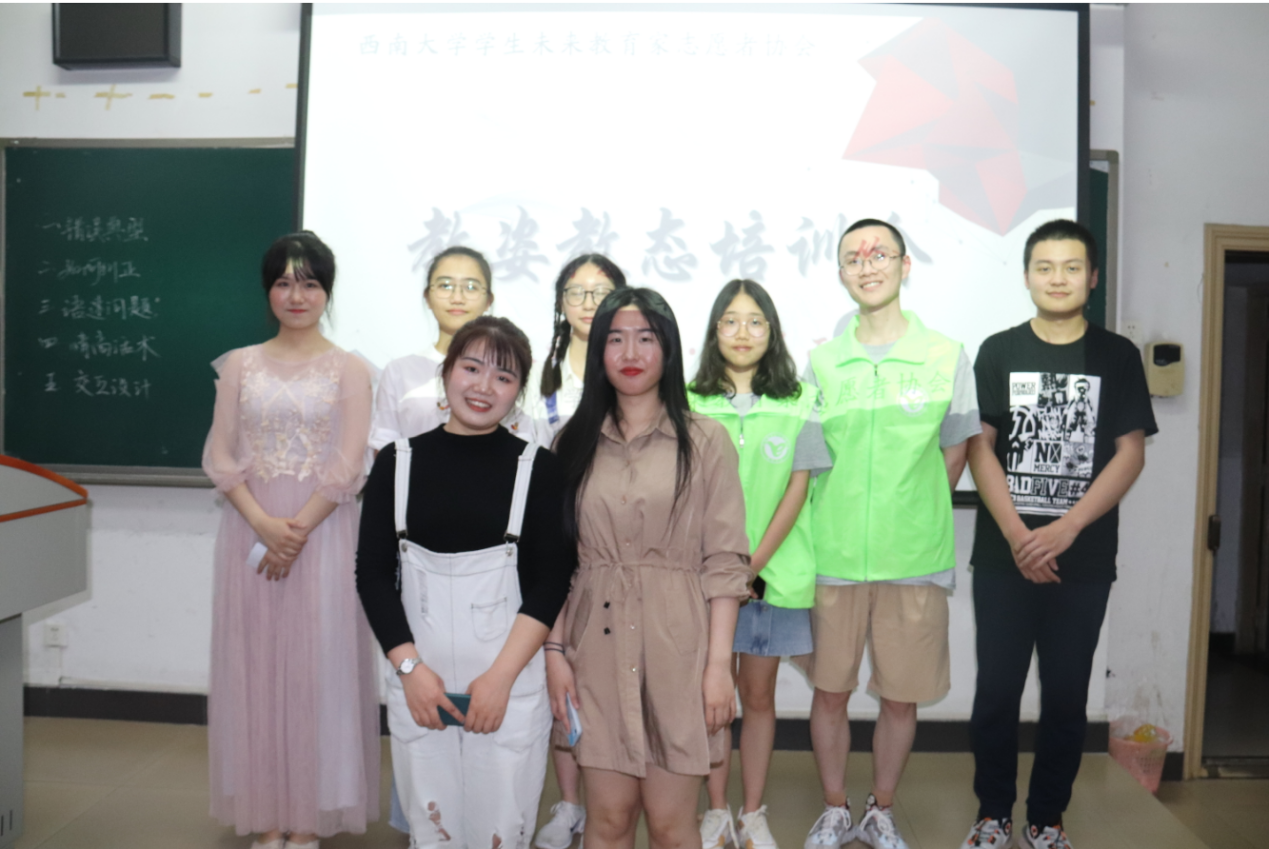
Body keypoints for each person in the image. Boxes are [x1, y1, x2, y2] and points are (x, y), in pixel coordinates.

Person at [961, 220, 1156, 849]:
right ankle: (993, 814)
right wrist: (1020, 535)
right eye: (1045, 267)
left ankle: (1046, 819)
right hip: (1004, 557)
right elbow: (980, 447)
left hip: (1084, 558)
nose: (1058, 278)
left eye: (1072, 267)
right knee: (995, 694)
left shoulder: (1116, 356)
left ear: (1092, 278)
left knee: (1067, 698)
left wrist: (1066, 529)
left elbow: (1130, 453)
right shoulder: (998, 350)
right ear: (1027, 276)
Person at [356, 316, 578, 849]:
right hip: (419, 683)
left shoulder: (540, 470)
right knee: (432, 829)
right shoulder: (396, 464)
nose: (484, 386)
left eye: (503, 376)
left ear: (518, 392)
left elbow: (551, 581)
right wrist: (410, 671)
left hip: (509, 684)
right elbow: (372, 575)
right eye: (471, 368)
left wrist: (500, 679)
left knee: (502, 829)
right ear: (447, 372)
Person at [546, 288, 752, 849]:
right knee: (608, 820)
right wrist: (555, 653)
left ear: (669, 349)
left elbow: (725, 562)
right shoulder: (570, 444)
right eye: (615, 339)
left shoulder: (706, 441)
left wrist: (718, 667)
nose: (631, 352)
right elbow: (556, 562)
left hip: (679, 651)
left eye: (646, 338)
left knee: (670, 825)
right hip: (594, 652)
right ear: (598, 351)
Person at [800, 219, 980, 849]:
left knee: (901, 698)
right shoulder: (823, 361)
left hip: (914, 559)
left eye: (879, 254)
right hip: (835, 556)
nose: (867, 265)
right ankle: (834, 808)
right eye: (853, 257)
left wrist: (915, 509)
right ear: (842, 274)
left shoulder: (946, 355)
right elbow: (810, 460)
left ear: (905, 266)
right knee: (829, 693)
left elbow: (955, 450)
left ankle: (880, 809)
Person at [203, 232, 379, 849]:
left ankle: (306, 818)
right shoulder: (239, 365)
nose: (296, 295)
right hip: (250, 533)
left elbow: (350, 464)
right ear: (268, 291)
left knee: (316, 671)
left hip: (323, 537)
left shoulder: (351, 369)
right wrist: (263, 524)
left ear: (327, 292)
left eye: (309, 283)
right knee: (254, 668)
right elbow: (221, 455)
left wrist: (295, 531)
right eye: (283, 282)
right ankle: (268, 815)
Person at [689, 280, 831, 849]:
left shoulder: (801, 399)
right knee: (711, 697)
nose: (742, 332)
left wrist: (753, 564)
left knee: (759, 697)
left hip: (774, 575)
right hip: (703, 576)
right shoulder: (687, 399)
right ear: (714, 332)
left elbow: (798, 488)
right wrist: (725, 568)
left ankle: (752, 812)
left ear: (772, 332)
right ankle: (716, 811)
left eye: (755, 321)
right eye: (730, 321)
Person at [526, 253, 628, 849]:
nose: (589, 303)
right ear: (561, 304)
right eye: (577, 292)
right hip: (555, 537)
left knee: (609, 682)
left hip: (618, 544)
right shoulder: (541, 376)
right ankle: (569, 804)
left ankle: (606, 803)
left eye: (601, 291)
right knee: (560, 672)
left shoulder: (633, 367)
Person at [371, 245, 537, 453]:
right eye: (445, 285)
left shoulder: (511, 370)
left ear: (488, 300)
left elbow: (523, 443)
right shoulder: (399, 371)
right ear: (427, 297)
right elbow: (384, 445)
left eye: (471, 287)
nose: (457, 298)